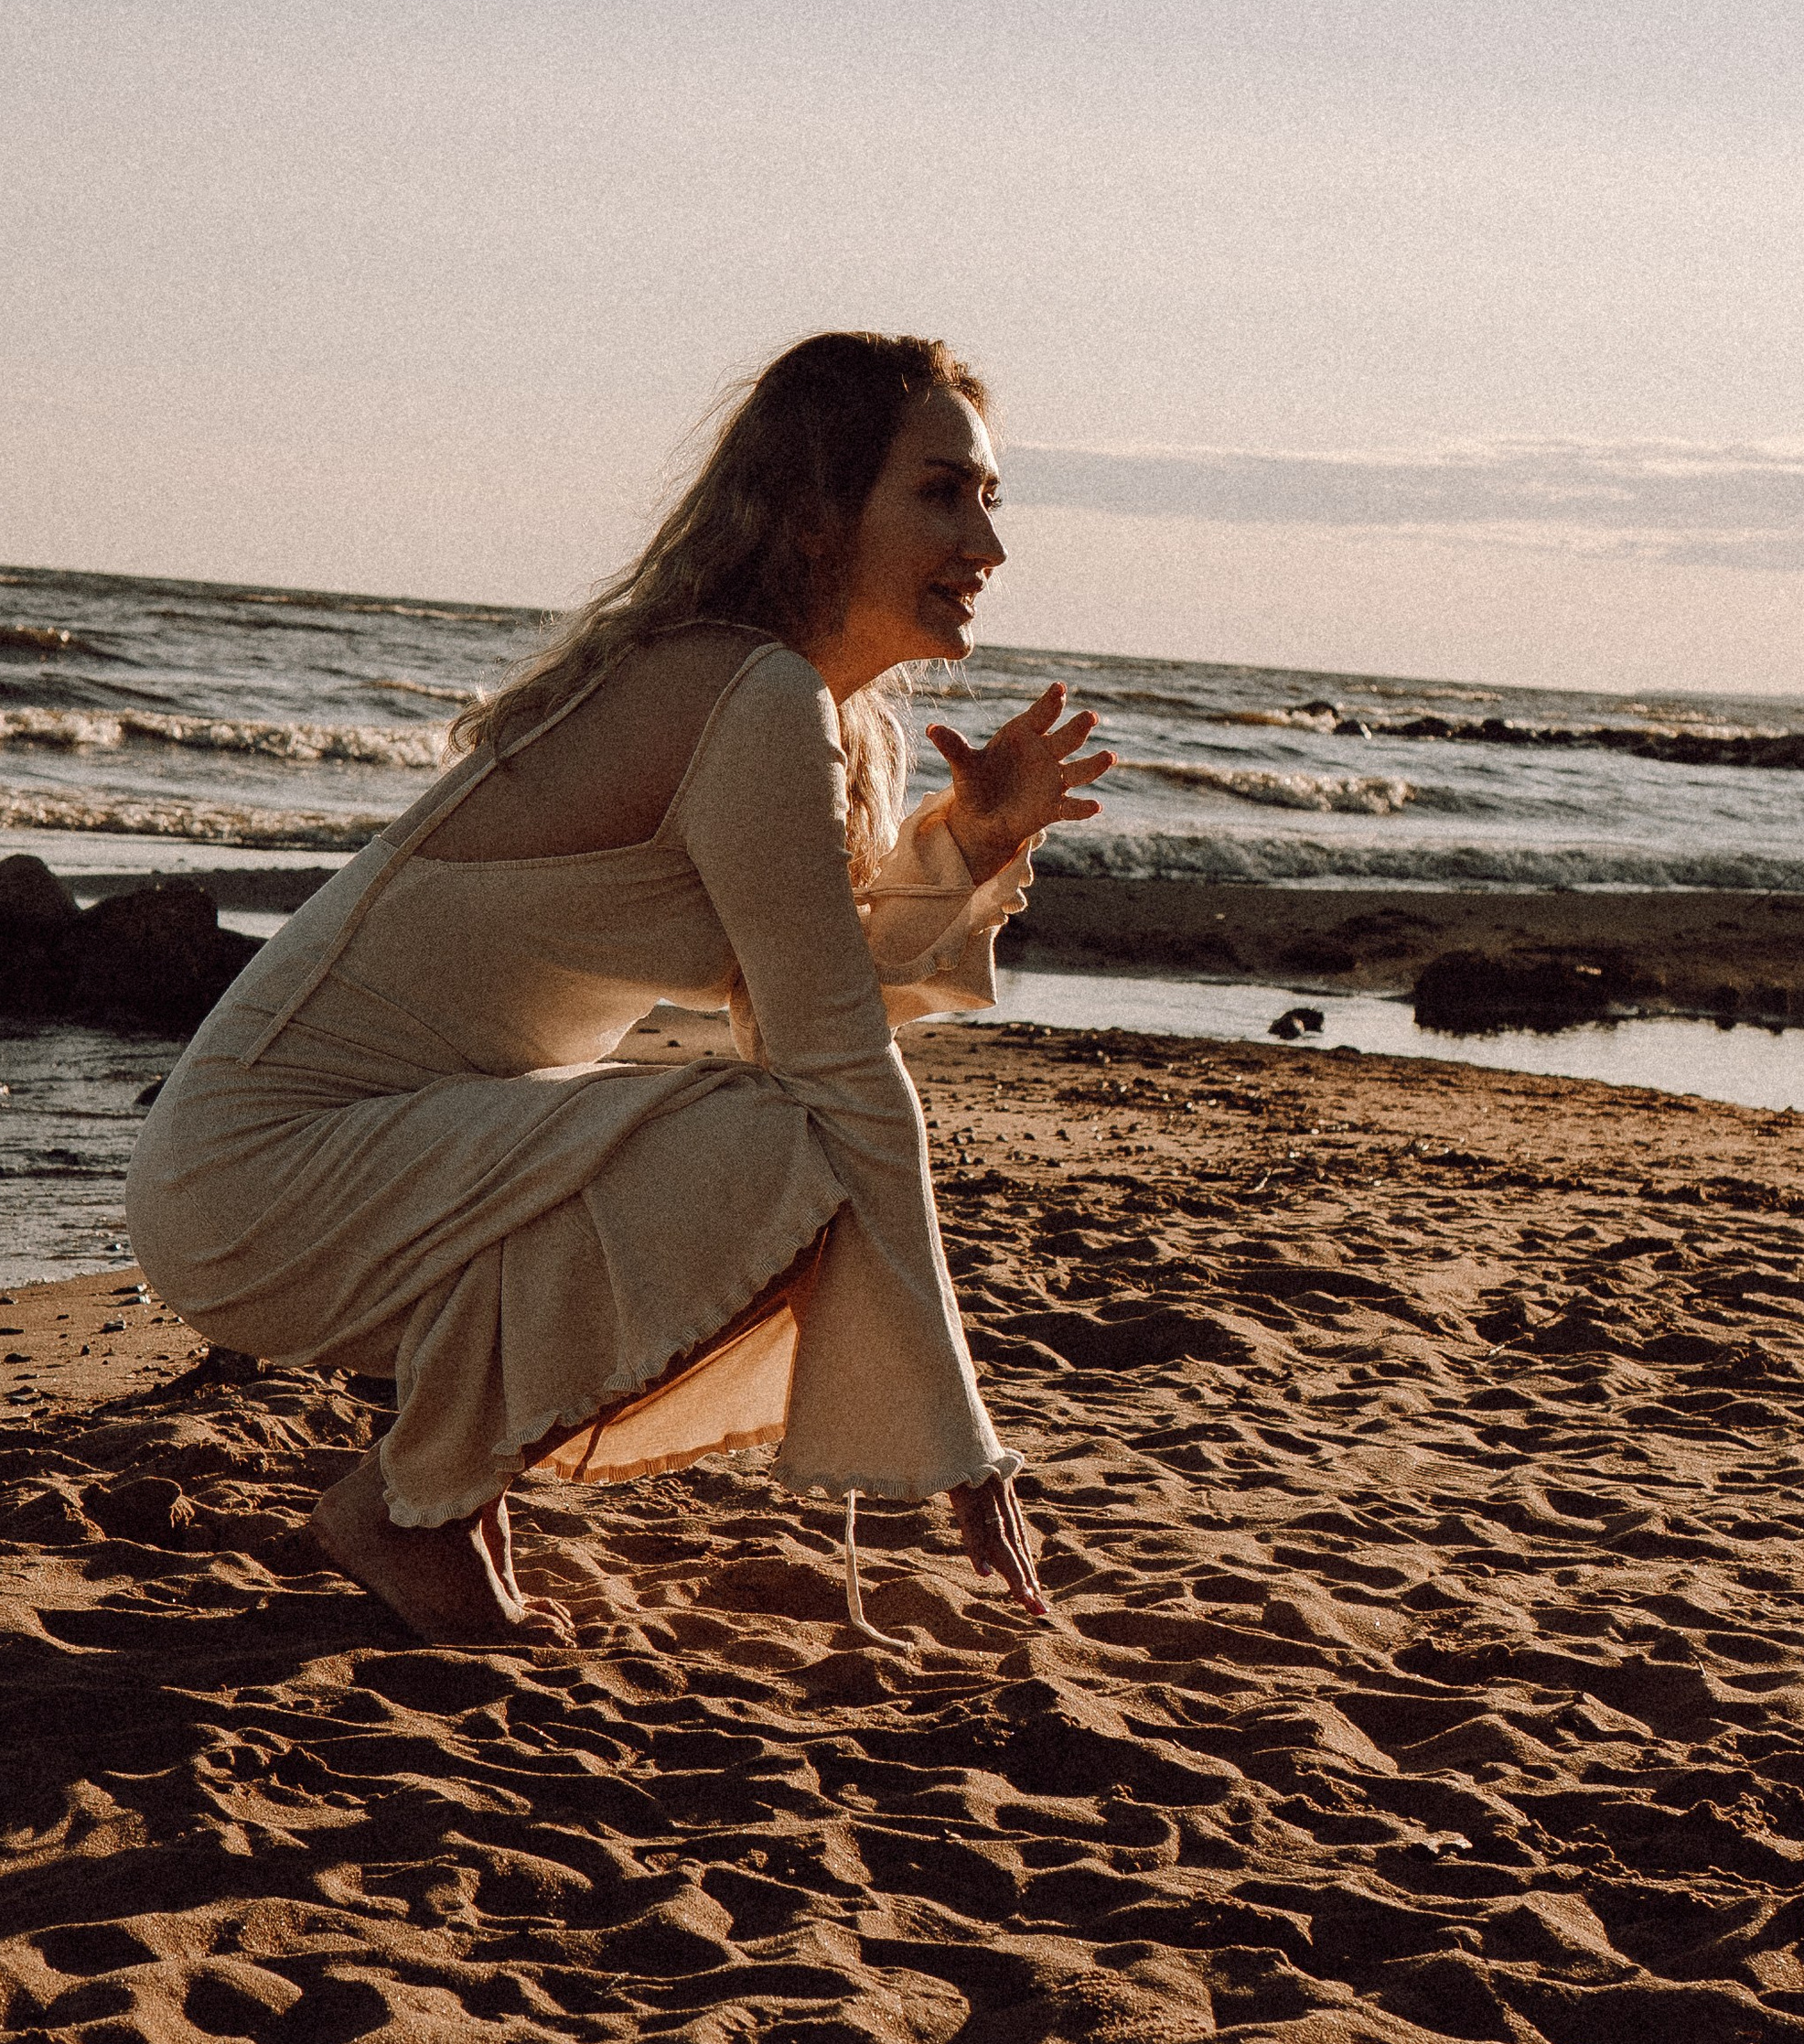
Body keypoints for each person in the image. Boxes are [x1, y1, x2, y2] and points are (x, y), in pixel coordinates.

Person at [126, 333, 1111, 1646]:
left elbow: (807, 1004)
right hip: (264, 1176)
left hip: (382, 1153)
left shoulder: (802, 709)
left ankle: (439, 1493)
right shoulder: (746, 693)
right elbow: (830, 1066)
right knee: (783, 1139)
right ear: (820, 509)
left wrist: (971, 845)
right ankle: (415, 1505)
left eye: (990, 499)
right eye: (942, 492)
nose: (986, 545)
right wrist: (962, 1440)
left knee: (771, 1132)